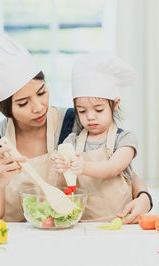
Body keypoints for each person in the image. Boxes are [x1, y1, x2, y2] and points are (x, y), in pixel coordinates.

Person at [0, 32, 152, 223]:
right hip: (16, 238)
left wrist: (144, 197)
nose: (38, 107)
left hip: (68, 233)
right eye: (23, 103)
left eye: (41, 92)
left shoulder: (77, 121)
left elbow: (119, 167)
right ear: (0, 107)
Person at [53, 52, 141, 222]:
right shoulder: (72, 141)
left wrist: (82, 167)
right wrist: (61, 165)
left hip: (118, 221)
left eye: (98, 110)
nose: (90, 116)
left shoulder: (125, 139)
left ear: (115, 105)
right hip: (80, 221)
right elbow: (62, 176)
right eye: (82, 111)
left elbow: (113, 167)